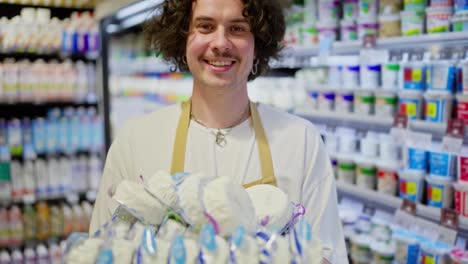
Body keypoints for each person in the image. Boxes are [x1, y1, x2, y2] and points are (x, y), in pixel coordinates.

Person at [90, 0, 347, 262]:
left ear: (257, 43)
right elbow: (101, 249)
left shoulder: (300, 140)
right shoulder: (137, 140)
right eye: (205, 26)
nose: (220, 43)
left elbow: (328, 253)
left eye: (237, 28)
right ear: (182, 38)